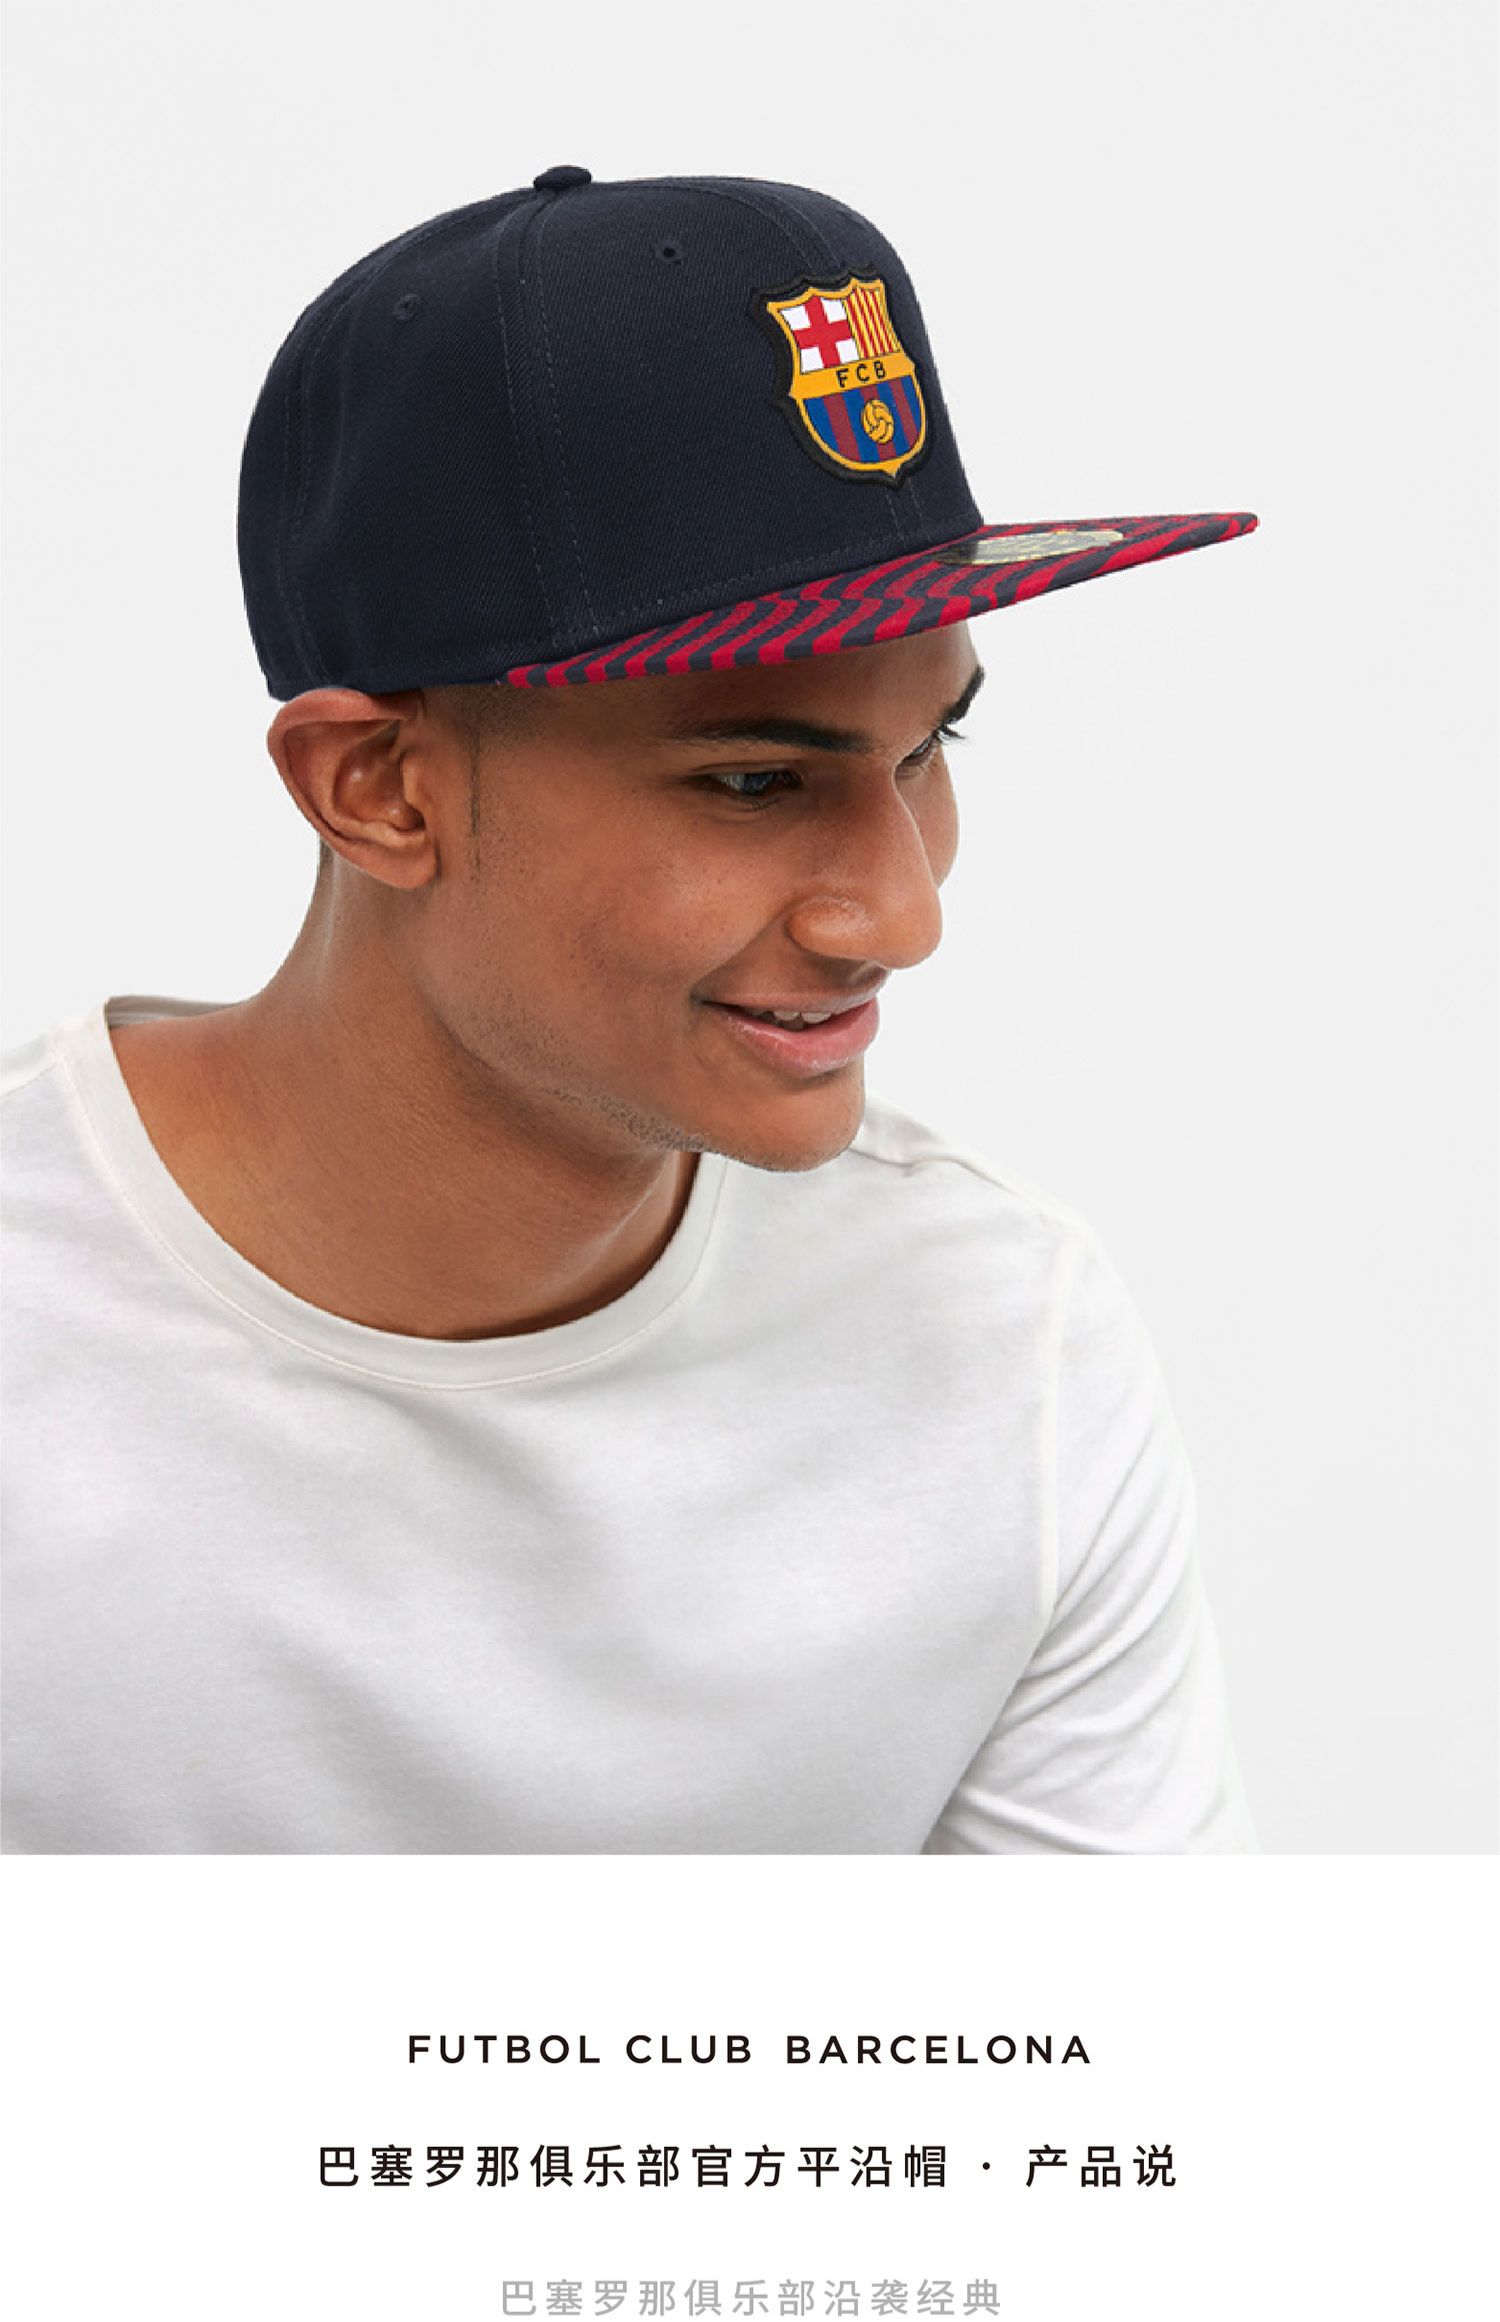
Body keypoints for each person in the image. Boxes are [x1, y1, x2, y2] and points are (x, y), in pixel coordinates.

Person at [1, 168, 1258, 1854]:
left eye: (929, 747)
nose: (901, 914)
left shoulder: (998, 1343)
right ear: (379, 787)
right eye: (753, 779)